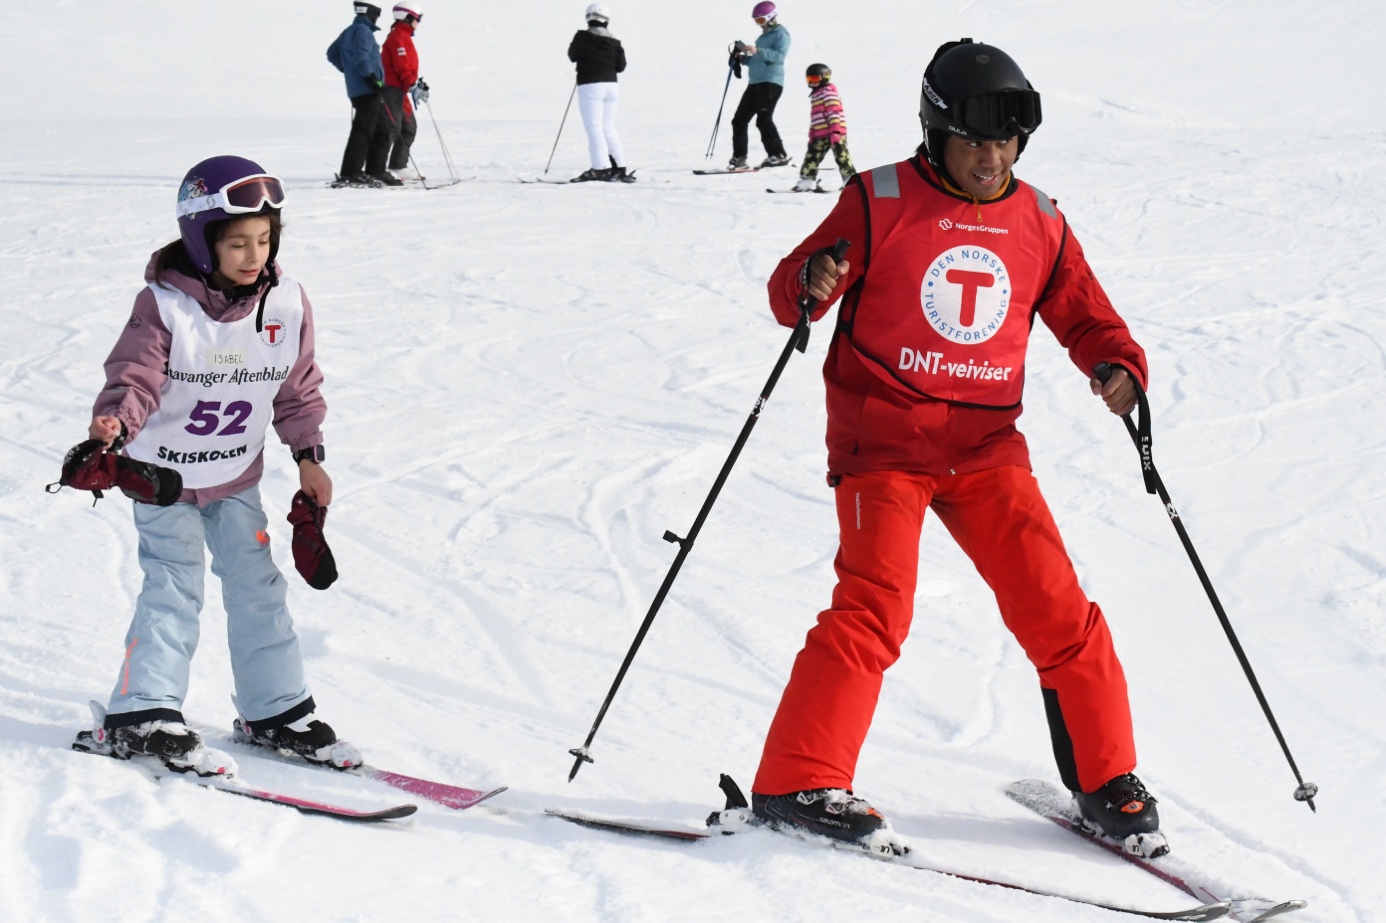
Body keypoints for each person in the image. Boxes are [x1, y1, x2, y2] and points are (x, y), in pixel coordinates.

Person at [748, 39, 1168, 859]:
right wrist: (813, 280)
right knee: (876, 607)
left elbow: (1086, 314)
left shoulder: (1040, 221)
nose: (992, 157)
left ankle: (1106, 778)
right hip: (886, 444)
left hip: (985, 448)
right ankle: (798, 777)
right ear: (937, 132)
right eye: (975, 139)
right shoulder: (879, 200)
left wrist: (1117, 364)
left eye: (1007, 141)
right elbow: (790, 284)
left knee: (1059, 609)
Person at [70, 156, 359, 776]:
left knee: (260, 590)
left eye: (264, 239)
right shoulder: (165, 306)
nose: (254, 254)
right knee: (173, 588)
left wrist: (309, 456)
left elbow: (297, 387)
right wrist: (115, 424)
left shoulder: (286, 302)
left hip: (235, 478)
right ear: (203, 243)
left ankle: (276, 710)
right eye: (236, 243)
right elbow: (137, 376)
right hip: (164, 480)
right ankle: (143, 710)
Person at [327, 2, 398, 187]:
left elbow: (332, 53)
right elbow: (361, 56)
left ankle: (376, 170)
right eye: (377, 12)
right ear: (371, 12)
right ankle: (351, 173)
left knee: (383, 128)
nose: (378, 16)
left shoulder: (350, 31)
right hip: (368, 88)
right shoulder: (362, 31)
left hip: (362, 89)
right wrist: (370, 77)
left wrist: (349, 71)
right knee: (364, 130)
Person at [567, 3, 632, 182]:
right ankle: (619, 167)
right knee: (608, 127)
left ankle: (600, 168)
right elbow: (621, 67)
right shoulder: (615, 42)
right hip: (611, 86)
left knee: (594, 128)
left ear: (588, 18)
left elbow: (572, 55)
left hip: (590, 85)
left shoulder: (582, 37)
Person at [728, 1, 791, 170]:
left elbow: (779, 57)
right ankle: (739, 157)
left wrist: (757, 51)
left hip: (771, 82)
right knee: (739, 120)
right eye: (757, 21)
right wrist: (741, 58)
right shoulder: (762, 38)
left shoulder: (781, 35)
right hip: (755, 83)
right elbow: (756, 61)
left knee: (763, 119)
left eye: (761, 21)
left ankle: (778, 155)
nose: (759, 25)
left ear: (771, 18)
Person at [793, 63, 854, 192]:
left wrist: (836, 131)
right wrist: (812, 134)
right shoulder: (816, 95)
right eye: (809, 80)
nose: (812, 83)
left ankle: (850, 180)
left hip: (834, 133)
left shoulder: (828, 93)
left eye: (815, 79)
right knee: (811, 156)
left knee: (842, 156)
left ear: (824, 77)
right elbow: (815, 118)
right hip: (820, 134)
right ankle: (806, 180)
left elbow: (833, 112)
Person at [381, 2, 423, 180]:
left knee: (408, 127)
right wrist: (411, 83)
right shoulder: (398, 36)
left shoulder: (404, 36)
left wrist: (416, 84)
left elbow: (407, 67)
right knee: (393, 128)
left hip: (401, 89)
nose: (419, 22)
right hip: (392, 90)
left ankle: (398, 166)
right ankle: (378, 169)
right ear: (407, 17)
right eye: (418, 18)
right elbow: (402, 65)